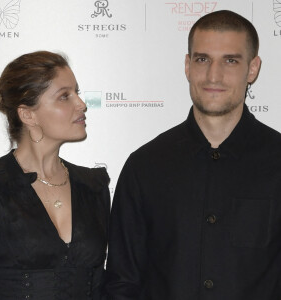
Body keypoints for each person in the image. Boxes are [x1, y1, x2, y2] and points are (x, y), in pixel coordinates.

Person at [104, 10, 281, 299]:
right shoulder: (145, 167)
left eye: (230, 60)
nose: (214, 75)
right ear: (187, 65)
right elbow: (122, 283)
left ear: (253, 68)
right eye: (202, 59)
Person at [0, 51, 110, 299]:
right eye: (64, 96)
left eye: (77, 92)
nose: (81, 104)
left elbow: (106, 283)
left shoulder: (93, 185)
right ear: (28, 114)